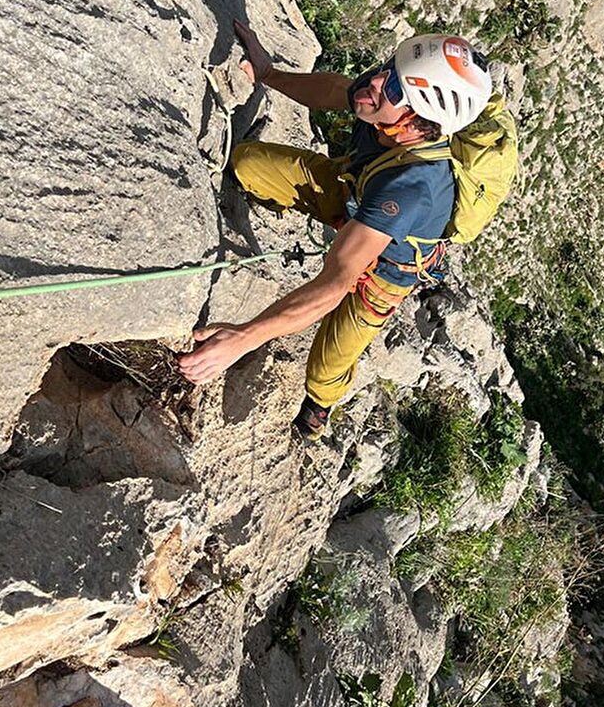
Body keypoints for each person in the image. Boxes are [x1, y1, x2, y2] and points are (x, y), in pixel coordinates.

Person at [176, 22, 495, 440]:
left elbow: (336, 281)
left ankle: (320, 407)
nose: (378, 81)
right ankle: (298, 204)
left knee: (326, 367)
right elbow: (336, 91)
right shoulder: (382, 101)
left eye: (396, 89)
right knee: (247, 162)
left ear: (419, 125)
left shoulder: (413, 188)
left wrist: (244, 338)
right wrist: (268, 74)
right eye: (388, 68)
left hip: (383, 272)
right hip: (352, 192)